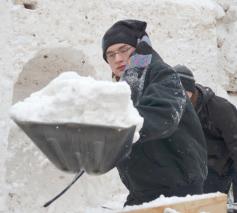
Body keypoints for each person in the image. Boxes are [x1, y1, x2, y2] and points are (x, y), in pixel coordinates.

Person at [101, 19, 207, 206]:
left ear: (139, 48)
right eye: (110, 54)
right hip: (144, 190)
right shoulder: (126, 88)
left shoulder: (162, 73)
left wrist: (119, 129)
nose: (117, 59)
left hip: (179, 190)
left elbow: (164, 115)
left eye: (124, 49)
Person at [174, 64, 237, 202]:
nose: (179, 97)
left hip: (221, 166)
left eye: (184, 92)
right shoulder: (174, 110)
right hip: (194, 167)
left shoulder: (220, 109)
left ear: (191, 90)